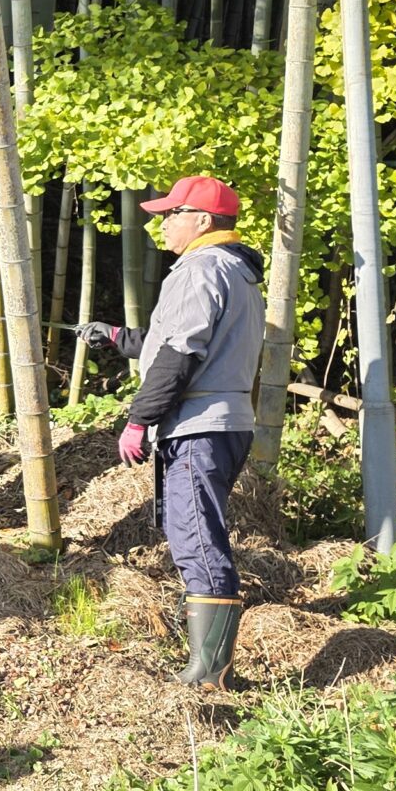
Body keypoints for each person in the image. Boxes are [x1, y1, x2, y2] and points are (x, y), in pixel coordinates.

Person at [83, 174, 266, 692]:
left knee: (197, 541)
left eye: (171, 214)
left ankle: (208, 674)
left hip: (198, 425)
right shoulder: (238, 270)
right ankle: (209, 667)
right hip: (227, 422)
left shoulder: (200, 269)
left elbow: (181, 355)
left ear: (203, 221)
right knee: (197, 534)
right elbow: (177, 341)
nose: (160, 223)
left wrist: (139, 419)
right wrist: (118, 337)